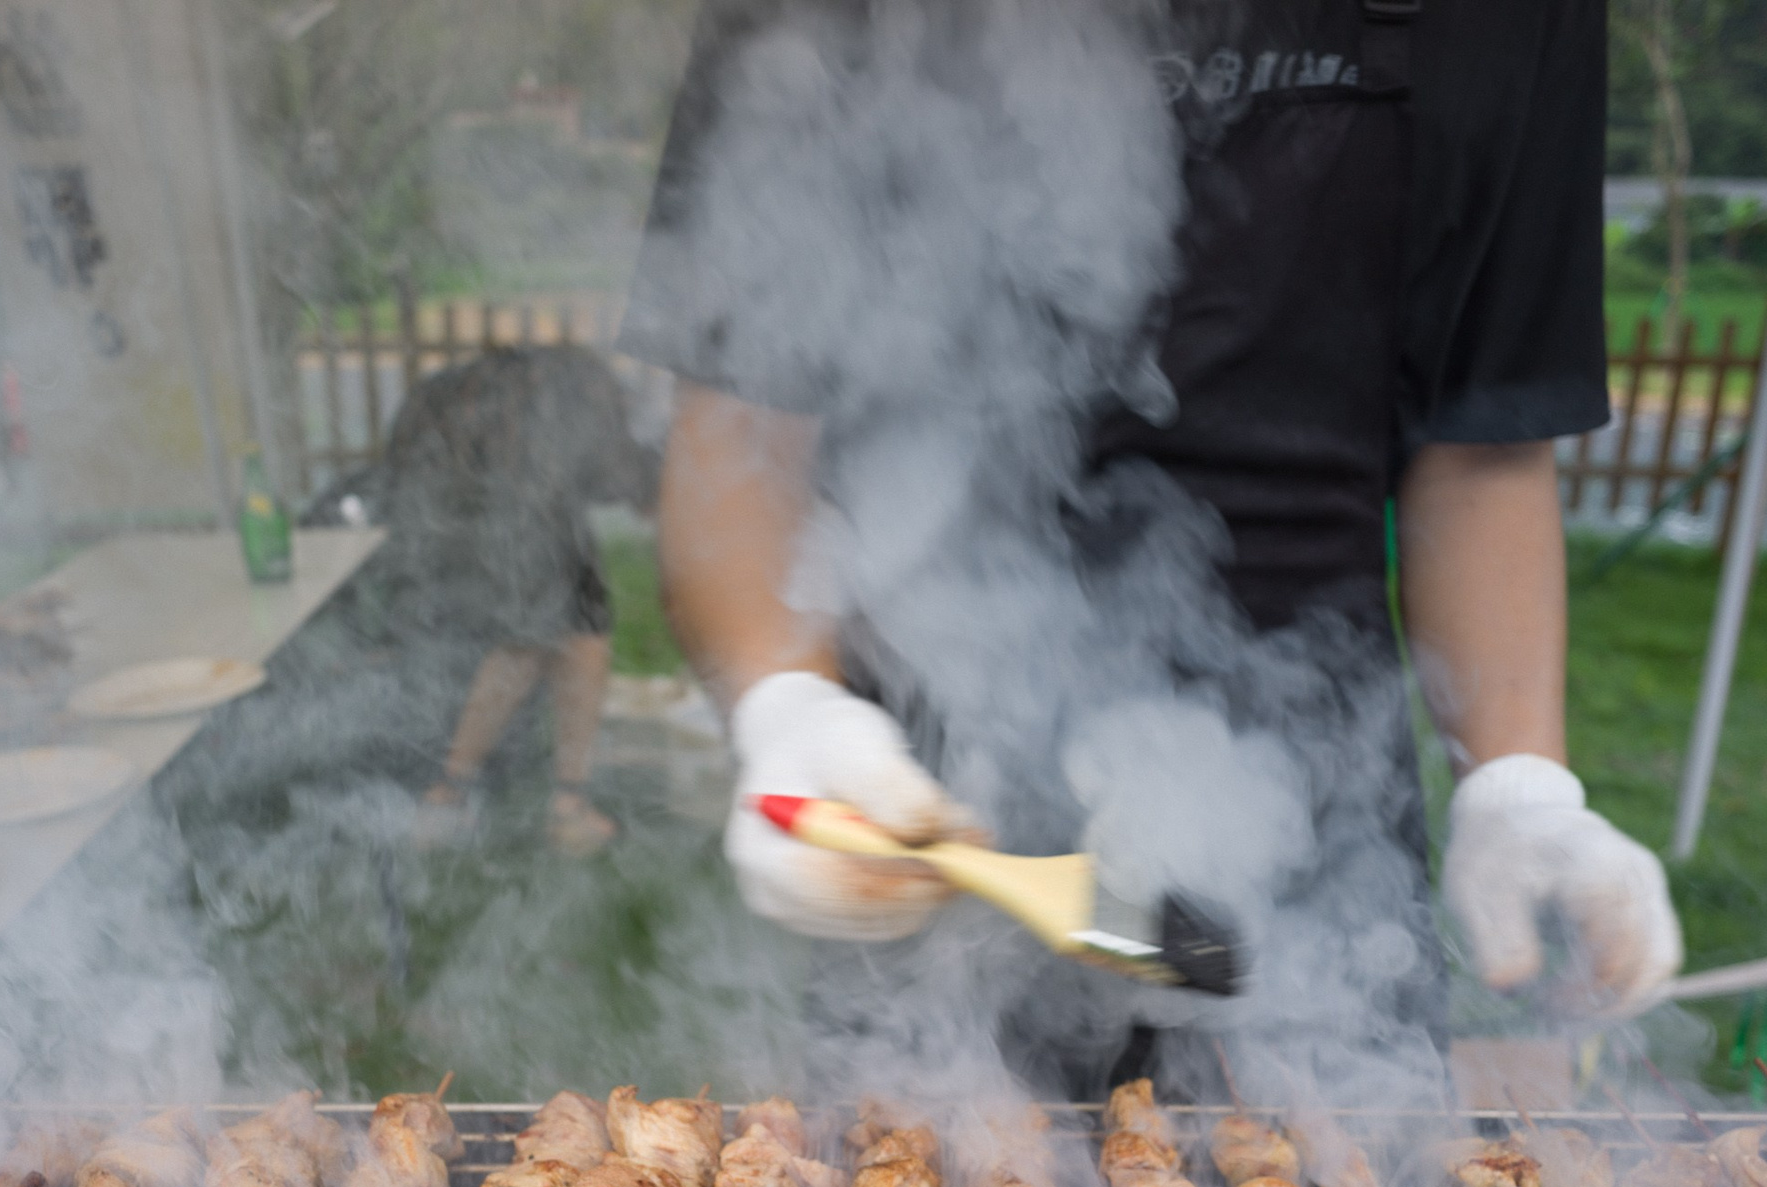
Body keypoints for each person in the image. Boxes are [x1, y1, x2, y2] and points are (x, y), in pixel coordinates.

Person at [620, 0, 1682, 1098]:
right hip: (923, 810)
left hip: (1324, 855)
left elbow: (1483, 443)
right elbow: (739, 420)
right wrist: (790, 708)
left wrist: (1518, 787)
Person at [373, 343, 657, 855]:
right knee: (530, 640)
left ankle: (565, 804)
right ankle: (448, 798)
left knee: (582, 628)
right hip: (492, 504)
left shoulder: (558, 392)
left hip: (482, 500)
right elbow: (628, 484)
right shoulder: (585, 401)